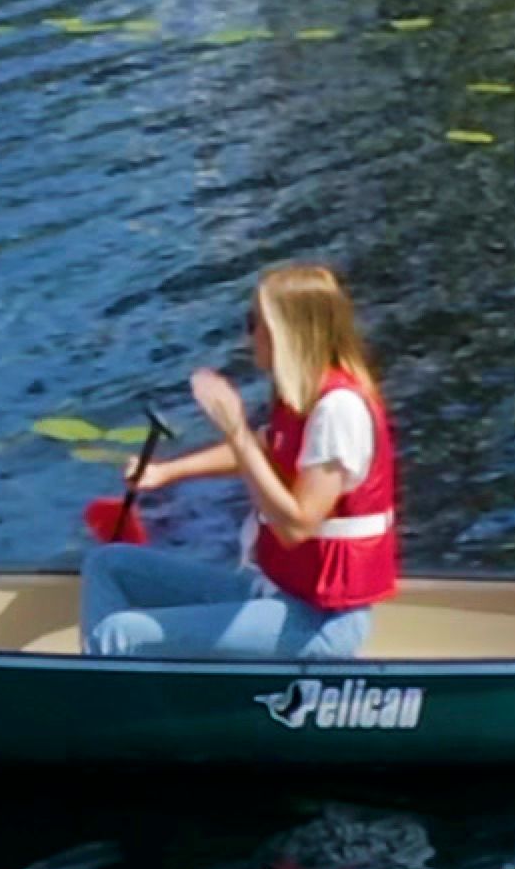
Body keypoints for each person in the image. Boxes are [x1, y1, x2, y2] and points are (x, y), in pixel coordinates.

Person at [84, 260, 402, 661]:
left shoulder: (339, 410)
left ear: (287, 333)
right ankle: (129, 694)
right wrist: (167, 472)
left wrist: (234, 430)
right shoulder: (303, 398)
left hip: (318, 622)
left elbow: (297, 525)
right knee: (109, 564)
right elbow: (268, 446)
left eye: (255, 322)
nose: (248, 335)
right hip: (274, 591)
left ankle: (109, 708)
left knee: (119, 635)